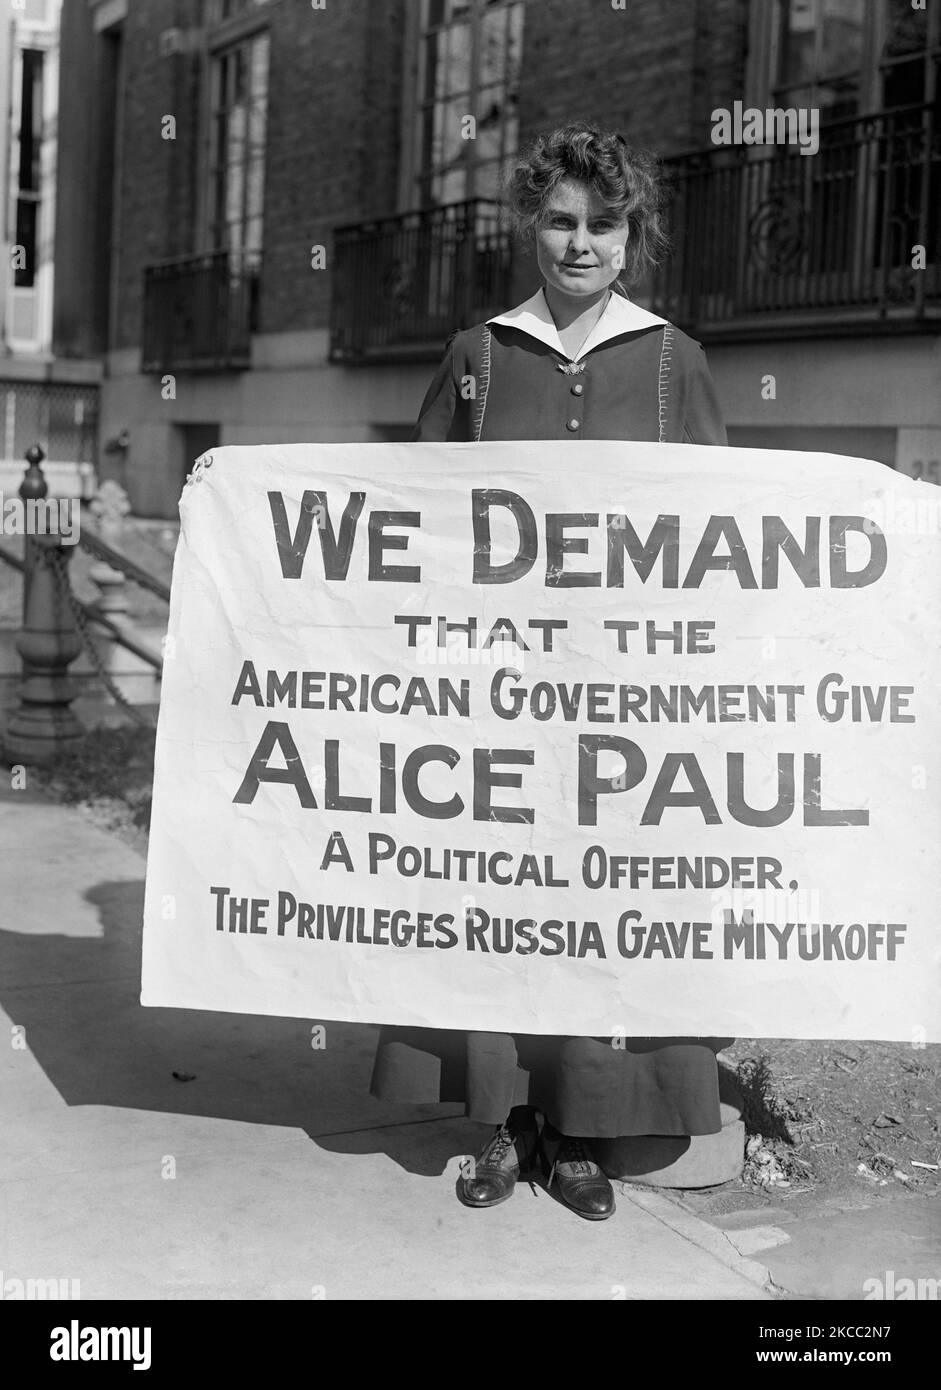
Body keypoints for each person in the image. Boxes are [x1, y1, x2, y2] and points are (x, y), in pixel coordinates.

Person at [370, 122, 729, 1222]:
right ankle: (498, 1119)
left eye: (602, 225)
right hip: (496, 690)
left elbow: (725, 536)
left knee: (597, 901)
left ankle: (578, 1129)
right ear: (529, 225)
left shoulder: (672, 361)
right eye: (560, 221)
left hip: (623, 691)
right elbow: (412, 523)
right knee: (496, 897)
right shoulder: (479, 355)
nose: (579, 244)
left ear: (632, 238)